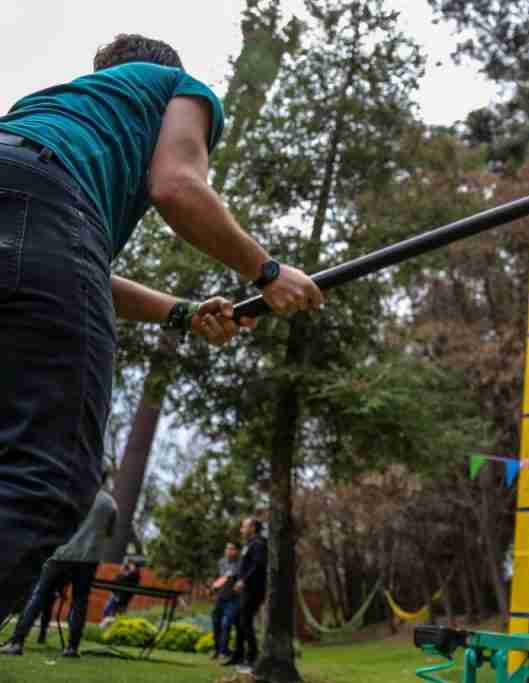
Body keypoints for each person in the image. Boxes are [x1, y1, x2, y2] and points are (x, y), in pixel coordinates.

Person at [0, 33, 324, 621]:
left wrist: (181, 311)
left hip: (31, 218)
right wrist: (266, 271)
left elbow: (67, 266)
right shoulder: (177, 87)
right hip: (44, 213)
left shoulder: (44, 109)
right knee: (48, 482)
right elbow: (176, 186)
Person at [0, 486, 118, 658]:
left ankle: (16, 643)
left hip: (61, 554)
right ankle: (72, 648)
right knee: (80, 601)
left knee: (39, 595)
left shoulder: (72, 492)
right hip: (88, 559)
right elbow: (110, 533)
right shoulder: (110, 503)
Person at [224, 517, 268, 669]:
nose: (241, 529)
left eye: (244, 526)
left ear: (253, 528)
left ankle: (253, 657)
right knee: (238, 619)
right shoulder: (249, 544)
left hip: (253, 589)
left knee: (244, 621)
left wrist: (244, 581)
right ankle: (238, 655)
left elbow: (258, 566)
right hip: (245, 589)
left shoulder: (259, 544)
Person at [209, 541, 241, 661]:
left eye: (232, 549)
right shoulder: (221, 562)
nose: (228, 551)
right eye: (227, 548)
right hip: (220, 597)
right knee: (216, 621)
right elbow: (219, 577)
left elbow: (229, 577)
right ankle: (216, 649)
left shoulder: (240, 563)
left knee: (226, 624)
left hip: (234, 598)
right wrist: (213, 589)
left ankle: (223, 652)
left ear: (237, 551)